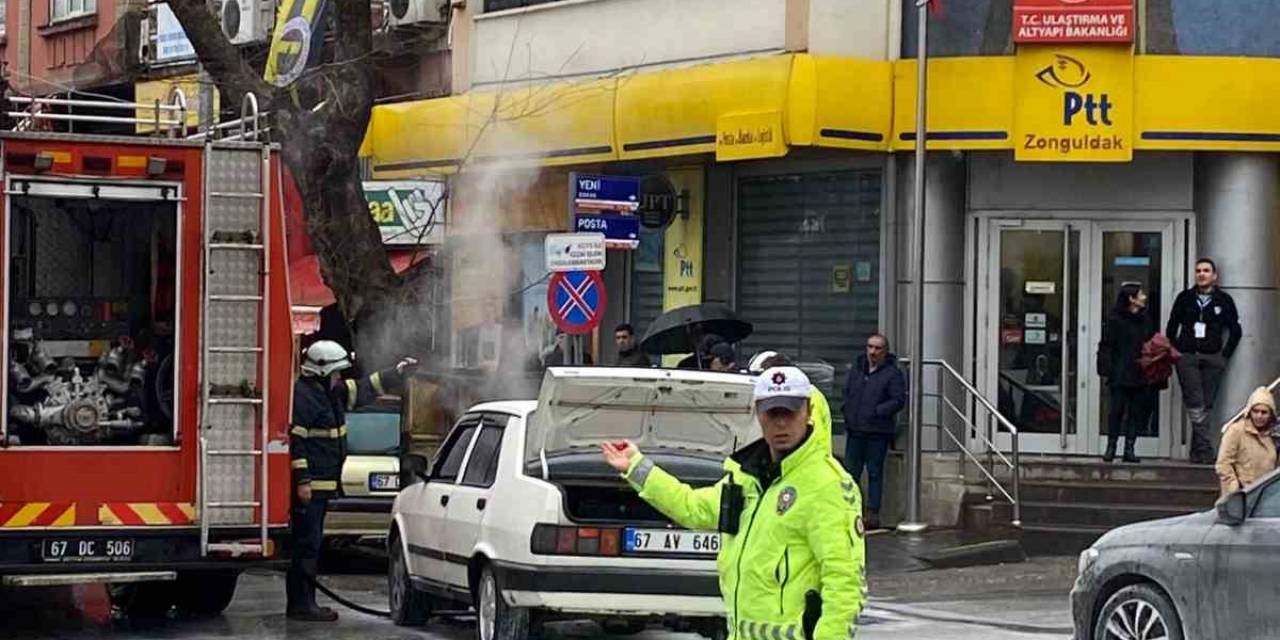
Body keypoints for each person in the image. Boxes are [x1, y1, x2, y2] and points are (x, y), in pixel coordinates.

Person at [601, 366, 865, 640]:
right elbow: (695, 507)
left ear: (808, 412)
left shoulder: (828, 485)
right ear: (757, 413)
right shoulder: (747, 477)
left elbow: (844, 582)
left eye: (790, 412)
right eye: (772, 413)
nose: (781, 424)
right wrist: (637, 467)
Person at [287, 341, 417, 622]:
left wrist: (397, 373)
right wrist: (302, 481)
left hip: (323, 486)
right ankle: (301, 604)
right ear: (321, 371)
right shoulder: (304, 397)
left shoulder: (329, 393)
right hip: (312, 487)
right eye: (336, 372)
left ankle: (305, 602)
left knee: (311, 545)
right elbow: (295, 442)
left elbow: (364, 389)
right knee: (306, 546)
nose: (339, 378)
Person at [1167, 258, 1242, 464]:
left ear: (1214, 275)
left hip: (1212, 357)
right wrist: (1177, 353)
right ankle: (1206, 449)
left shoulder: (1224, 300)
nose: (1201, 274)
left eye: (1206, 271)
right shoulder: (1185, 298)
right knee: (1195, 401)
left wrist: (1224, 356)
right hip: (1188, 357)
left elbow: (1235, 330)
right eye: (1198, 270)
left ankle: (1196, 451)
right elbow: (1172, 327)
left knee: (1206, 404)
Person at [840, 334, 906, 530]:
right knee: (851, 473)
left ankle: (872, 513)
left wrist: (878, 412)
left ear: (885, 351)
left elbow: (898, 400)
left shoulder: (892, 374)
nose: (872, 352)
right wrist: (848, 411)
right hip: (855, 430)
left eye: (877, 348)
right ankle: (849, 509)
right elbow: (848, 391)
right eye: (870, 347)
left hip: (878, 431)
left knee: (875, 472)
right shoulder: (857, 369)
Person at [1097, 284, 1156, 464]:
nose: (1144, 297)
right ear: (1131, 298)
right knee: (1116, 411)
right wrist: (1107, 369)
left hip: (1140, 371)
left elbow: (1150, 342)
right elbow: (1106, 345)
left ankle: (1129, 448)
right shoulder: (1115, 320)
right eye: (1140, 294)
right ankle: (1111, 447)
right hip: (1120, 372)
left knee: (1135, 412)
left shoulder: (1145, 320)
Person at [1215, 386, 1278, 497]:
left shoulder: (1273, 436)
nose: (1259, 416)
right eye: (1256, 411)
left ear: (1270, 414)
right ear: (1249, 411)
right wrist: (1234, 488)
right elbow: (1223, 463)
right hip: (1241, 495)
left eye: (1264, 412)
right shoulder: (1236, 431)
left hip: (1265, 495)